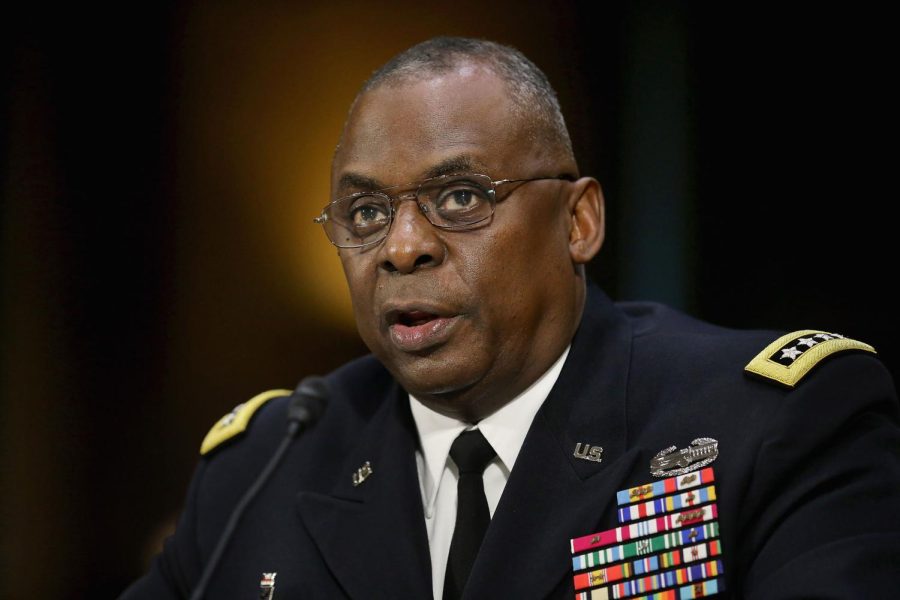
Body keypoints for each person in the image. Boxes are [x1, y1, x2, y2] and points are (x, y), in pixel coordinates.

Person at [121, 37, 900, 599]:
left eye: (460, 198)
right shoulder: (261, 471)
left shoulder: (771, 426)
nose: (402, 248)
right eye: (365, 212)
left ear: (578, 222)